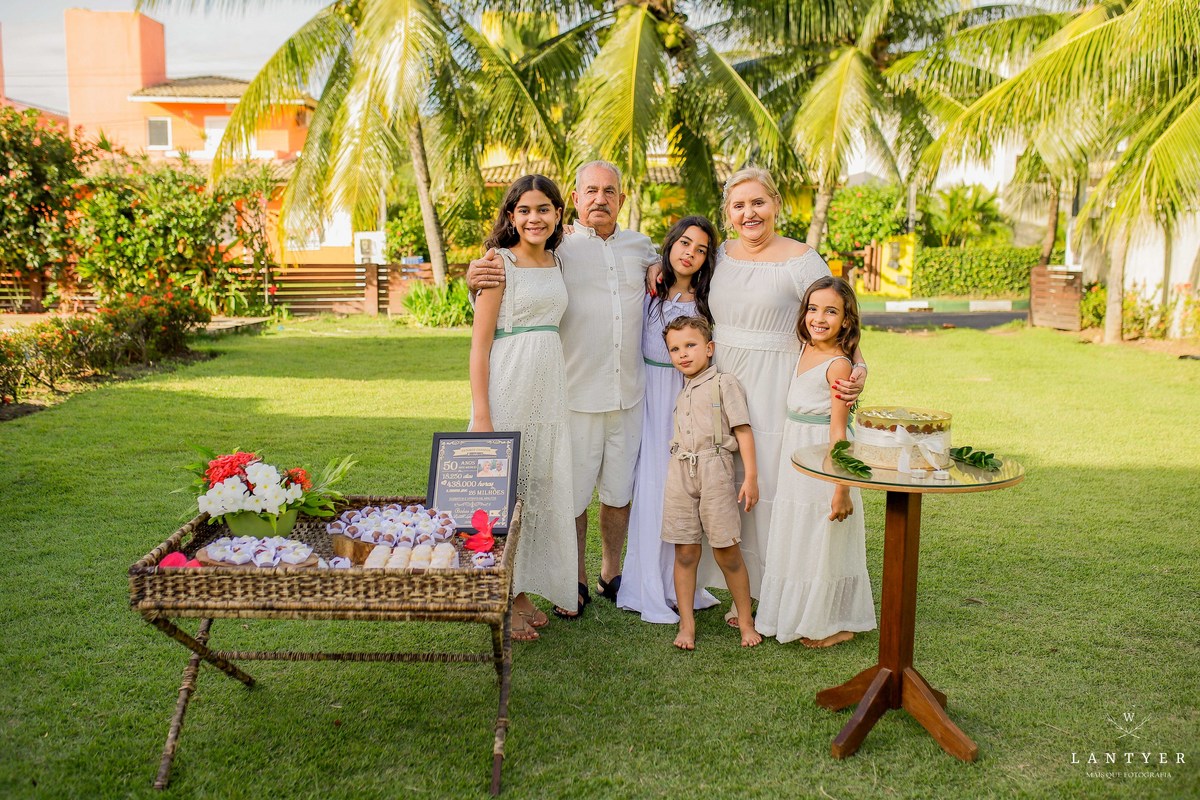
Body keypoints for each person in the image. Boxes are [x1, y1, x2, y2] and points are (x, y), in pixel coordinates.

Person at [468, 161, 657, 619]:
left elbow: (675, 272)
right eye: (590, 190)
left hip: (619, 391)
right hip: (559, 389)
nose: (600, 199)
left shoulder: (640, 247)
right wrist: (472, 280)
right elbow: (491, 293)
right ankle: (557, 583)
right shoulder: (558, 245)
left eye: (609, 191)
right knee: (543, 492)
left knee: (605, 490)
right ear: (574, 200)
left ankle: (609, 573)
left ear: (622, 199)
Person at [699, 167, 868, 627]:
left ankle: (776, 591)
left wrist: (860, 370)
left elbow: (839, 315)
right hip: (724, 379)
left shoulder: (802, 259)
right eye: (739, 205)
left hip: (777, 384)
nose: (749, 213)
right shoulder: (720, 255)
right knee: (731, 483)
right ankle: (739, 588)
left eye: (758, 203)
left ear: (775, 204)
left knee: (770, 487)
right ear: (728, 213)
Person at [469, 174, 577, 641]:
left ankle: (523, 589)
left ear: (557, 215)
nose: (535, 218)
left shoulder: (557, 261)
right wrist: (482, 415)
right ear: (512, 217)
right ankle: (502, 597)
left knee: (535, 489)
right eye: (525, 210)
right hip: (509, 385)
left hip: (548, 389)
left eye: (544, 210)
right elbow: (479, 347)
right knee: (506, 494)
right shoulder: (499, 264)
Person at [754, 277, 877, 646]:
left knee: (823, 538)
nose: (818, 317)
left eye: (830, 311)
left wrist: (842, 489)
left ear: (846, 320)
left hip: (823, 457)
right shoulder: (805, 346)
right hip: (796, 453)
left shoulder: (838, 366)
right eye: (812, 308)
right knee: (800, 536)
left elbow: (839, 433)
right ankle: (796, 612)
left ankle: (833, 624)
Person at [616, 216, 722, 623]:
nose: (690, 253)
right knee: (652, 486)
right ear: (671, 243)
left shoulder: (706, 302)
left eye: (700, 250)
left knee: (682, 489)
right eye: (684, 243)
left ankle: (682, 584)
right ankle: (647, 585)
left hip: (685, 396)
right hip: (648, 396)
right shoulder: (650, 292)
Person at [659, 316, 762, 650]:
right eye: (675, 349)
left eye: (690, 345)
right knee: (685, 551)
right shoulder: (681, 390)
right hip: (680, 470)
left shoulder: (724, 383)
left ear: (709, 348)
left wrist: (750, 477)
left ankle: (746, 621)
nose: (683, 354)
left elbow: (743, 430)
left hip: (715, 469)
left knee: (725, 550)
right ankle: (687, 625)